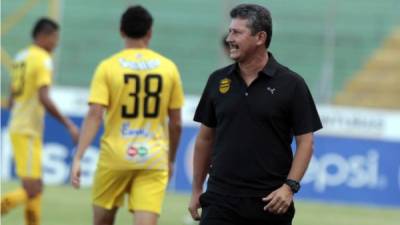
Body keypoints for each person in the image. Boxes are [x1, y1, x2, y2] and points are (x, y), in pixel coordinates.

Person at [188, 4, 322, 225]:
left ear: (260, 37)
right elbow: (205, 138)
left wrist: (289, 187)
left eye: (237, 32)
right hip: (219, 200)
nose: (229, 38)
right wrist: (196, 190)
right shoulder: (217, 80)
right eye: (230, 31)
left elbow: (306, 141)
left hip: (270, 203)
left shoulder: (292, 84)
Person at [70, 5, 184, 225]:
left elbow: (95, 114)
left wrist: (78, 157)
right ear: (150, 32)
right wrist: (170, 160)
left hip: (115, 156)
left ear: (121, 31)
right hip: (153, 157)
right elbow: (177, 123)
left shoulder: (108, 67)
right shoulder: (168, 68)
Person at [1, 18, 79, 225]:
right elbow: (44, 96)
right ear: (43, 36)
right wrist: (69, 124)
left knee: (35, 188)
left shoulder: (21, 56)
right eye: (54, 38)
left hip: (23, 126)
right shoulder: (42, 58)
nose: (56, 43)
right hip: (27, 129)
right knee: (32, 188)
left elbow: (11, 99)